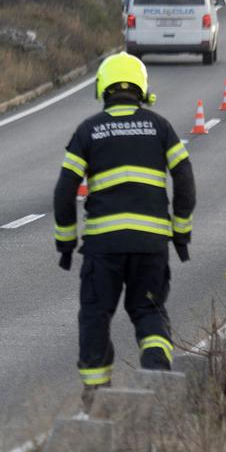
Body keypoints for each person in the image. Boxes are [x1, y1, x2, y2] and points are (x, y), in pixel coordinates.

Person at [54, 52, 195, 404]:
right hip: (151, 245)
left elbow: (64, 191)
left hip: (104, 248)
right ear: (142, 89)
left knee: (95, 316)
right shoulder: (160, 127)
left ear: (103, 88)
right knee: (148, 311)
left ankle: (96, 398)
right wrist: (180, 232)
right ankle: (158, 380)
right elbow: (185, 179)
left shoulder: (89, 130)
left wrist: (66, 242)